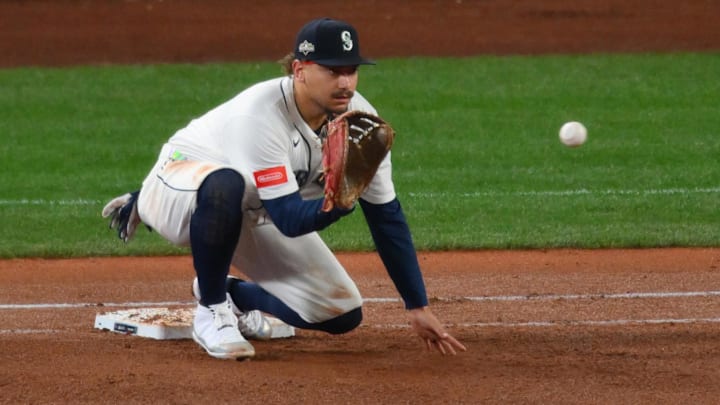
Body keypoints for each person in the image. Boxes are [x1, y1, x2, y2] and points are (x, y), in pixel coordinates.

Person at [103, 17, 466, 360]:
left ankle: (230, 294)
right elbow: (290, 220)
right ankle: (211, 311)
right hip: (181, 189)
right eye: (332, 71)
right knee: (225, 185)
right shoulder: (261, 116)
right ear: (300, 70)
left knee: (340, 313)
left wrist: (417, 306)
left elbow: (386, 215)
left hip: (255, 207)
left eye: (351, 70)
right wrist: (335, 206)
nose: (346, 83)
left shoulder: (361, 126)